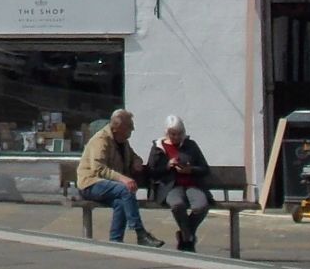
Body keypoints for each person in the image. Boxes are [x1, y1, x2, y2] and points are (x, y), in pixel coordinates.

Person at [76, 108, 163, 246]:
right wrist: (123, 179)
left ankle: (115, 242)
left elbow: (133, 156)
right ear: (118, 127)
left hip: (108, 185)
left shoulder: (122, 141)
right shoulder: (101, 140)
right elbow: (98, 169)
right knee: (125, 189)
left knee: (121, 203)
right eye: (130, 126)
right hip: (91, 184)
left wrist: (137, 161)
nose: (133, 129)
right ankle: (140, 233)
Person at [147, 115, 212, 251]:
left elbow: (205, 168)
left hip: (192, 184)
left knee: (201, 206)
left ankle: (185, 235)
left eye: (179, 134)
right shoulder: (158, 147)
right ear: (167, 133)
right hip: (171, 186)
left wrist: (190, 170)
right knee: (177, 205)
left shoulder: (191, 145)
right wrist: (168, 165)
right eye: (173, 134)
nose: (176, 137)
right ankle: (188, 239)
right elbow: (151, 171)